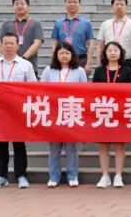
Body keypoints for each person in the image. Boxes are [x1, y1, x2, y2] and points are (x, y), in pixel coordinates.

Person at [0, 33, 37, 189]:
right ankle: (1, 176)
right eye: (6, 43)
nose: (9, 46)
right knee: (1, 144)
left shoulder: (25, 65)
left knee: (19, 144)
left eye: (12, 43)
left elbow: (33, 86)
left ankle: (21, 175)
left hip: (18, 109)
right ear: (0, 45)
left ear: (17, 45)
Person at [40, 42, 88, 187]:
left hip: (72, 111)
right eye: (61, 53)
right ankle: (54, 176)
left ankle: (72, 176)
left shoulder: (79, 71)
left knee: (71, 147)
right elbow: (41, 89)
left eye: (67, 53)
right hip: (54, 112)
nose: (64, 56)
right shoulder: (48, 70)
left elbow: (85, 91)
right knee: (54, 147)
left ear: (72, 55)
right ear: (56, 55)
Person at [92, 41, 131, 188]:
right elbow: (93, 92)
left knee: (120, 145)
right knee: (103, 145)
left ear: (121, 53)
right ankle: (105, 175)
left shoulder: (127, 71)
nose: (113, 53)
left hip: (120, 112)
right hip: (103, 111)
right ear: (105, 53)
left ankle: (118, 175)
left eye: (116, 50)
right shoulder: (99, 71)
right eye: (109, 50)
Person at [95, 0, 131, 74]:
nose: (119, 7)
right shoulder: (105, 24)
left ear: (126, 7)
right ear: (112, 7)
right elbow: (100, 46)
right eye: (116, 4)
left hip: (126, 62)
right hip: (108, 62)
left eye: (122, 4)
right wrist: (99, 64)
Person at [0, 0, 45, 74]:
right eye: (16, 4)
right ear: (13, 7)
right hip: (9, 66)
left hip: (29, 66)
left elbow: (37, 43)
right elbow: (0, 42)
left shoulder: (36, 24)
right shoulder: (6, 24)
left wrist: (22, 59)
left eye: (22, 3)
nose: (19, 6)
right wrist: (10, 57)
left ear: (28, 6)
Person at [51, 0, 94, 65]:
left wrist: (89, 64)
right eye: (69, 2)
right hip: (62, 60)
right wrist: (54, 60)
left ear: (79, 4)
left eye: (75, 2)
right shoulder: (58, 23)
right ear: (65, 4)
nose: (72, 4)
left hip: (80, 60)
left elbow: (91, 44)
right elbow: (54, 44)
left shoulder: (87, 23)